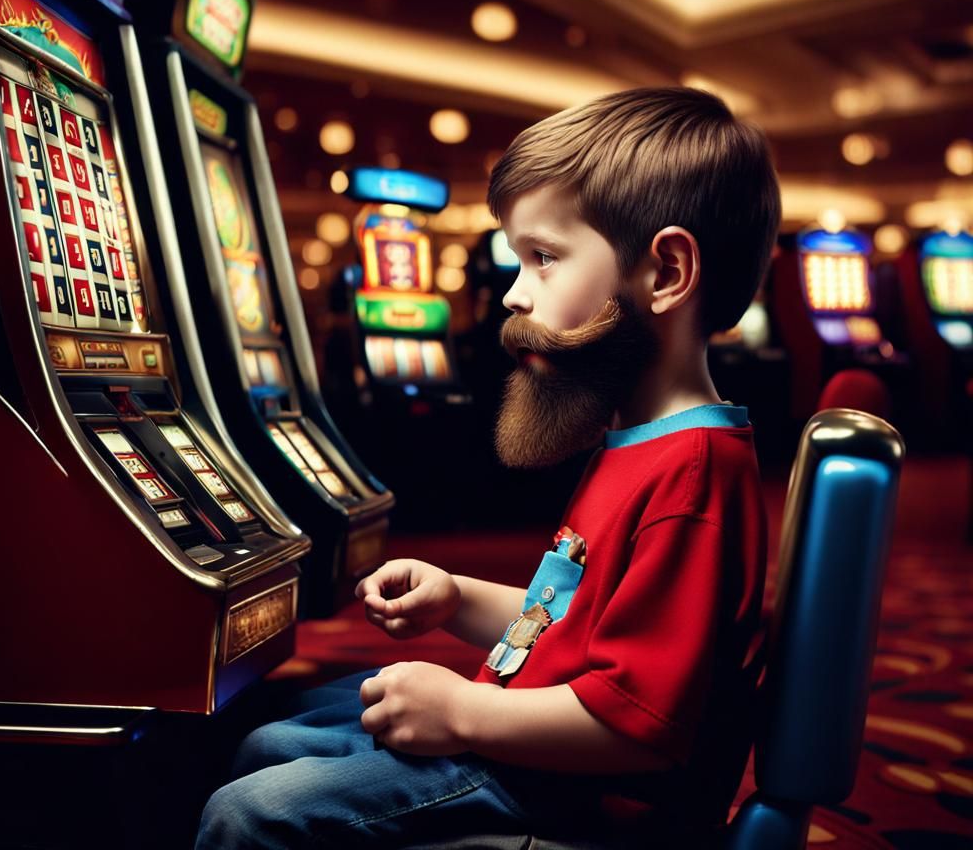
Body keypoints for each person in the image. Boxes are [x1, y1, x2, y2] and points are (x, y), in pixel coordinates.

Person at [196, 87, 780, 849]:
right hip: (537, 756)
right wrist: (456, 596)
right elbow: (573, 622)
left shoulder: (693, 472)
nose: (513, 291)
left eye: (543, 258)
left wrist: (466, 715)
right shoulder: (639, 439)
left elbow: (639, 726)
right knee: (267, 740)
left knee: (248, 815)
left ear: (666, 271)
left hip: (578, 800)